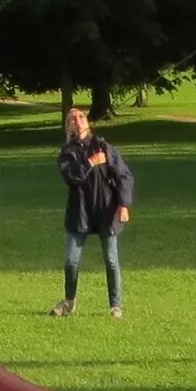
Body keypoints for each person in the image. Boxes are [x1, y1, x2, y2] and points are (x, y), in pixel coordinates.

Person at [49, 104, 133, 318]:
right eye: (72, 118)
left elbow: (124, 176)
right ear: (69, 126)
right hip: (80, 212)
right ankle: (69, 301)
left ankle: (115, 305)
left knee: (111, 260)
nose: (78, 120)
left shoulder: (103, 146)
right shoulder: (68, 152)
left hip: (106, 210)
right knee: (71, 260)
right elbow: (72, 177)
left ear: (87, 122)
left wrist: (123, 205)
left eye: (81, 116)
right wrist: (90, 162)